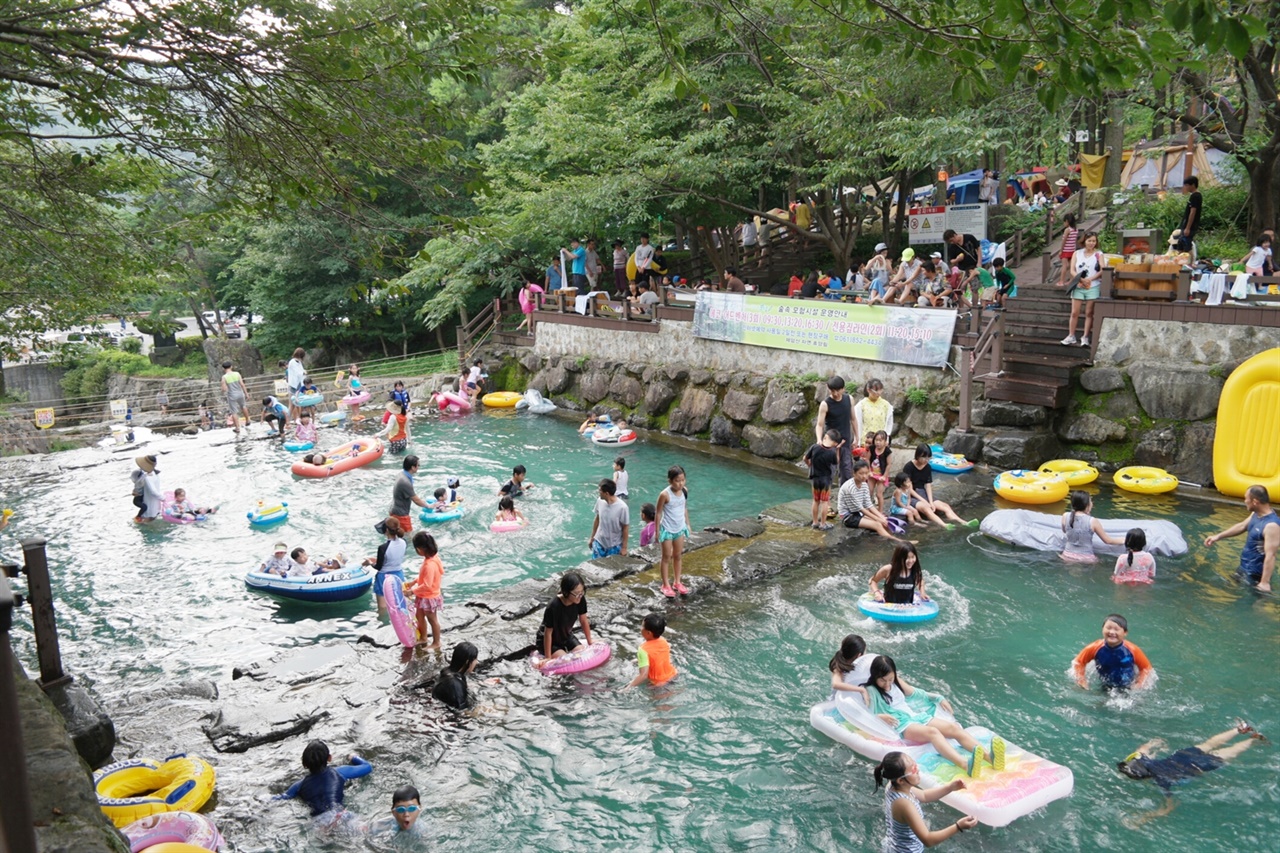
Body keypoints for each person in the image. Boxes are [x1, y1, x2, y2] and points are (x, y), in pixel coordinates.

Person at [844, 656, 995, 775]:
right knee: (933, 733)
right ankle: (965, 764)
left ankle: (988, 757)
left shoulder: (895, 683)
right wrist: (881, 717)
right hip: (901, 724)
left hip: (915, 717)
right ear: (875, 676)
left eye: (890, 679)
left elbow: (916, 693)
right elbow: (867, 715)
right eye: (883, 680)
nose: (887, 683)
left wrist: (938, 697)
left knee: (952, 728)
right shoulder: (870, 690)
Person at [1116, 721, 1268, 825]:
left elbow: (1169, 807)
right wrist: (1155, 744)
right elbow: (1142, 749)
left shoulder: (1162, 781)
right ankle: (1240, 728)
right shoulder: (1144, 760)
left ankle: (1252, 740)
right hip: (1183, 755)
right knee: (1208, 744)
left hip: (1198, 766)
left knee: (1229, 753)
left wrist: (1145, 818)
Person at [873, 751, 978, 851]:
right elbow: (928, 840)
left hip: (893, 846)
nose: (917, 770)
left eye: (915, 764)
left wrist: (950, 787)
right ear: (901, 780)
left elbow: (924, 795)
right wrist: (958, 826)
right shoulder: (904, 804)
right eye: (913, 770)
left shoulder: (893, 786)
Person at [1204, 484, 1278, 593]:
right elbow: (1242, 526)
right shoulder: (1256, 514)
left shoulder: (1271, 526)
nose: (1244, 501)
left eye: (1246, 499)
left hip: (1255, 576)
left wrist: (1264, 582)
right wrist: (1218, 536)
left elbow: (1271, 556)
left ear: (1255, 501)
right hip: (1244, 568)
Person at [276, 739, 372, 818]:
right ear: (329, 758)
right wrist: (353, 757)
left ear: (304, 764)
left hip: (319, 823)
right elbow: (367, 767)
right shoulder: (339, 772)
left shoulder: (298, 786)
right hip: (340, 815)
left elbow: (282, 797)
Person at [1072, 613, 1153, 690]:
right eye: (1108, 628)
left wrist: (1139, 684)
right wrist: (1081, 680)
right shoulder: (1094, 648)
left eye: (1116, 629)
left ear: (1125, 633)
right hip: (1105, 684)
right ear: (1102, 629)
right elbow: (1078, 662)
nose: (1112, 632)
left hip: (1128, 686)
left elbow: (1146, 668)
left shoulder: (1133, 650)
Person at [902, 445, 973, 529]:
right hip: (911, 495)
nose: (926, 460)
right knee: (926, 508)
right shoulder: (909, 467)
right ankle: (945, 525)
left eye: (928, 458)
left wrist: (931, 502)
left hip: (922, 492)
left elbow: (928, 485)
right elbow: (909, 489)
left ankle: (963, 522)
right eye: (924, 458)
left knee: (945, 506)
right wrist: (925, 502)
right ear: (918, 456)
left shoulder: (927, 467)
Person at [534, 572, 594, 665]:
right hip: (549, 641)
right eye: (577, 593)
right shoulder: (553, 606)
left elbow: (583, 620)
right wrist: (548, 658)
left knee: (582, 653)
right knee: (566, 661)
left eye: (582, 592)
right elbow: (548, 633)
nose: (580, 596)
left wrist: (590, 641)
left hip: (565, 636)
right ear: (566, 592)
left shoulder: (580, 599)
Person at [1061, 231, 1104, 347]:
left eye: (1094, 241)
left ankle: (1085, 336)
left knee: (1089, 312)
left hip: (1093, 285)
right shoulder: (1077, 253)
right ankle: (1071, 335)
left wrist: (1090, 279)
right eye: (1089, 241)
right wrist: (1081, 280)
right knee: (1075, 312)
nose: (1091, 243)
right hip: (1078, 285)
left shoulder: (1099, 254)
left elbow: (1102, 269)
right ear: (1084, 241)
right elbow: (1072, 270)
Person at [656, 465, 691, 598]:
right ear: (670, 481)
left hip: (679, 528)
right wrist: (657, 531)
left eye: (682, 480)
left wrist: (688, 524)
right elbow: (658, 513)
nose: (680, 483)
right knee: (666, 557)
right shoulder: (664, 494)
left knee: (678, 555)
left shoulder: (684, 491)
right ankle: (665, 584)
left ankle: (677, 581)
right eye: (677, 480)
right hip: (667, 529)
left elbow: (684, 508)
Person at [1060, 490, 1124, 563]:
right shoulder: (1092, 521)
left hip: (1066, 556)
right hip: (1086, 559)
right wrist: (1123, 540)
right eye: (1091, 501)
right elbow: (1108, 541)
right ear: (1087, 505)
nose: (1092, 503)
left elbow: (1065, 531)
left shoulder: (1065, 516)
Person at [814, 376, 855, 486]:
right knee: (829, 471)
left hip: (845, 441)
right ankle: (824, 496)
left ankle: (844, 496)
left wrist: (857, 438)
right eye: (832, 390)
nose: (835, 393)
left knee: (847, 471)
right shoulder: (825, 404)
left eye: (838, 390)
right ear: (828, 388)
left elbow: (853, 419)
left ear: (843, 389)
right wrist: (819, 439)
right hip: (830, 443)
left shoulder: (849, 399)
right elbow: (819, 425)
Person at [362, 517, 406, 617]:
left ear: (386, 530)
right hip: (398, 575)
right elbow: (393, 558)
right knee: (398, 603)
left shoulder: (383, 547)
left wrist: (369, 562)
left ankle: (383, 624)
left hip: (384, 578)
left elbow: (378, 567)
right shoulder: (404, 542)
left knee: (382, 607)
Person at [624, 612, 678, 688]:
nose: (640, 628)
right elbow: (658, 655)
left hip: (658, 684)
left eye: (642, 626)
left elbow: (643, 675)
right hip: (673, 676)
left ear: (648, 633)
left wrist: (628, 687)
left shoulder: (643, 649)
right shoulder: (663, 641)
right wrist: (638, 660)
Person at [410, 531, 443, 649]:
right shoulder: (433, 558)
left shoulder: (430, 564)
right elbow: (426, 577)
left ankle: (436, 642)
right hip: (423, 594)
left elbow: (427, 585)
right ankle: (423, 638)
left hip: (429, 596)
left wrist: (412, 591)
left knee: (432, 620)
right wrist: (414, 582)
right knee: (419, 615)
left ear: (419, 549)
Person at [803, 429, 842, 530]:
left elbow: (805, 458)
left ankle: (815, 522)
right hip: (826, 480)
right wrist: (838, 450)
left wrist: (809, 465)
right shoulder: (832, 452)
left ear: (825, 437)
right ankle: (823, 524)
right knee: (824, 502)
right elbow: (836, 462)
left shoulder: (815, 447)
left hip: (815, 478)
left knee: (816, 500)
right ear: (835, 443)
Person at [387, 456, 428, 535]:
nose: (419, 467)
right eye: (418, 465)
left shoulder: (402, 474)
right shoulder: (405, 481)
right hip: (401, 515)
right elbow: (416, 500)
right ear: (412, 467)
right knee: (409, 537)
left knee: (397, 535)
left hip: (395, 510)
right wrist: (429, 506)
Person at [589, 479, 630, 558]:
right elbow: (597, 519)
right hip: (599, 542)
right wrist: (592, 538)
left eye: (600, 491)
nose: (598, 492)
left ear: (606, 493)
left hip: (614, 545)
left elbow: (625, 527)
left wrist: (624, 548)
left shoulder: (622, 507)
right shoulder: (599, 501)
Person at [432, 642, 478, 708]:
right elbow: (462, 711)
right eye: (475, 659)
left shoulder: (446, 671)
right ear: (467, 661)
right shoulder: (455, 684)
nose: (476, 662)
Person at [853, 379, 894, 450]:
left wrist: (886, 439)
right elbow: (858, 424)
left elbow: (889, 424)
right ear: (868, 390)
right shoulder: (861, 405)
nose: (878, 393)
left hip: (881, 443)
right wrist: (858, 441)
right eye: (876, 391)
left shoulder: (886, 405)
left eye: (880, 390)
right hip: (866, 443)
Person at [941, 229, 982, 297]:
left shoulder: (969, 238)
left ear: (955, 235)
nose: (951, 242)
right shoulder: (952, 247)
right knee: (960, 289)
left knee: (974, 288)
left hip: (973, 266)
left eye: (952, 240)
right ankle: (962, 306)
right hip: (962, 269)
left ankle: (975, 306)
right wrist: (957, 260)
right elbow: (951, 261)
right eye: (949, 242)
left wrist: (979, 262)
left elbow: (978, 248)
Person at [221, 361, 250, 434]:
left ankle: (237, 428)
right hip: (240, 393)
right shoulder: (237, 374)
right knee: (243, 406)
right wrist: (246, 393)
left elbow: (224, 389)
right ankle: (247, 420)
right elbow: (242, 384)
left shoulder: (224, 377)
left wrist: (225, 388)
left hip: (231, 395)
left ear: (223, 368)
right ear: (231, 366)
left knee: (234, 412)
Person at [867, 430, 892, 511]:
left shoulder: (887, 451)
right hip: (872, 474)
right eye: (876, 440)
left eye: (880, 440)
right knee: (868, 492)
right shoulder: (872, 448)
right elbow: (867, 459)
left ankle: (880, 511)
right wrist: (869, 471)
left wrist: (884, 476)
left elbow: (889, 464)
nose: (878, 442)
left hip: (882, 475)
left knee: (879, 494)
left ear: (885, 442)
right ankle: (867, 510)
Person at [1175, 175, 1202, 252]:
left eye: (1187, 185)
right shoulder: (1193, 196)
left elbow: (1193, 212)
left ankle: (1187, 261)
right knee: (1180, 244)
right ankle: (1180, 260)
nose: (1186, 187)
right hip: (1186, 224)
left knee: (1186, 245)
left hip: (1190, 226)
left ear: (1193, 185)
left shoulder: (1196, 196)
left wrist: (1188, 227)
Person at [133, 455, 162, 522]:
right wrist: (162, 498)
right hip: (139, 498)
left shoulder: (149, 475)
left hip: (146, 499)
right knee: (145, 507)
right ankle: (138, 517)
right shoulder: (146, 477)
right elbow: (153, 491)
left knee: (146, 508)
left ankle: (139, 517)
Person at [1056, 212, 1079, 287]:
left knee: (1064, 266)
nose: (1064, 223)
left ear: (1067, 221)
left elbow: (1064, 241)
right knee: (1072, 266)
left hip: (1066, 250)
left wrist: (1061, 250)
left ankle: (1061, 281)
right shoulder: (1075, 229)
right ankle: (1071, 280)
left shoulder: (1067, 230)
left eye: (1064, 221)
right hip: (1072, 250)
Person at [286, 347, 306, 420]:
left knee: (300, 403)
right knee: (292, 405)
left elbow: (300, 371)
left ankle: (301, 419)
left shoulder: (299, 362)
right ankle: (287, 420)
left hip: (299, 385)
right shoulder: (292, 362)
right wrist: (303, 372)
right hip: (293, 385)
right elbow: (298, 373)